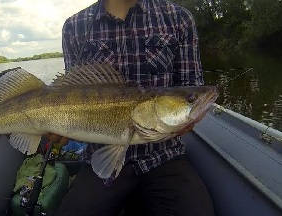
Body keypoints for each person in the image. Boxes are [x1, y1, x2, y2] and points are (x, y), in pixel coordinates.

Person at [55, 0, 214, 215]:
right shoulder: (75, 27)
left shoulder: (178, 18)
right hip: (101, 155)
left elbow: (190, 84)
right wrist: (56, 128)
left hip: (164, 156)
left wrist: (188, 118)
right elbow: (72, 91)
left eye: (191, 101)